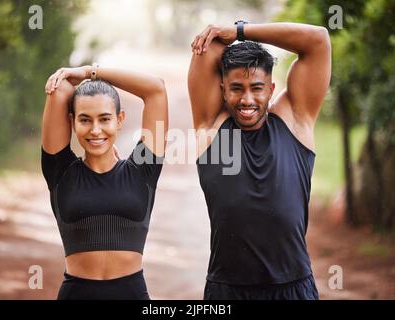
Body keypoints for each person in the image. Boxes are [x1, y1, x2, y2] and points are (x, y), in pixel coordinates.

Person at [188, 22, 331, 299]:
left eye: (257, 88)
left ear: (271, 87)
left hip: (293, 289)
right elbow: (210, 45)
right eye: (236, 88)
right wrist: (224, 34)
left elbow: (318, 40)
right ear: (222, 88)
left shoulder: (295, 121)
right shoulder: (212, 127)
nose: (247, 99)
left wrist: (240, 30)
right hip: (227, 291)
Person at [41, 64, 168, 299]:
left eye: (105, 119)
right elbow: (60, 89)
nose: (95, 130)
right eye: (85, 120)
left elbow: (155, 90)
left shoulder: (143, 169)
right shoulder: (60, 171)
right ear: (72, 122)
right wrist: (72, 78)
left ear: (119, 120)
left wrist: (90, 71)